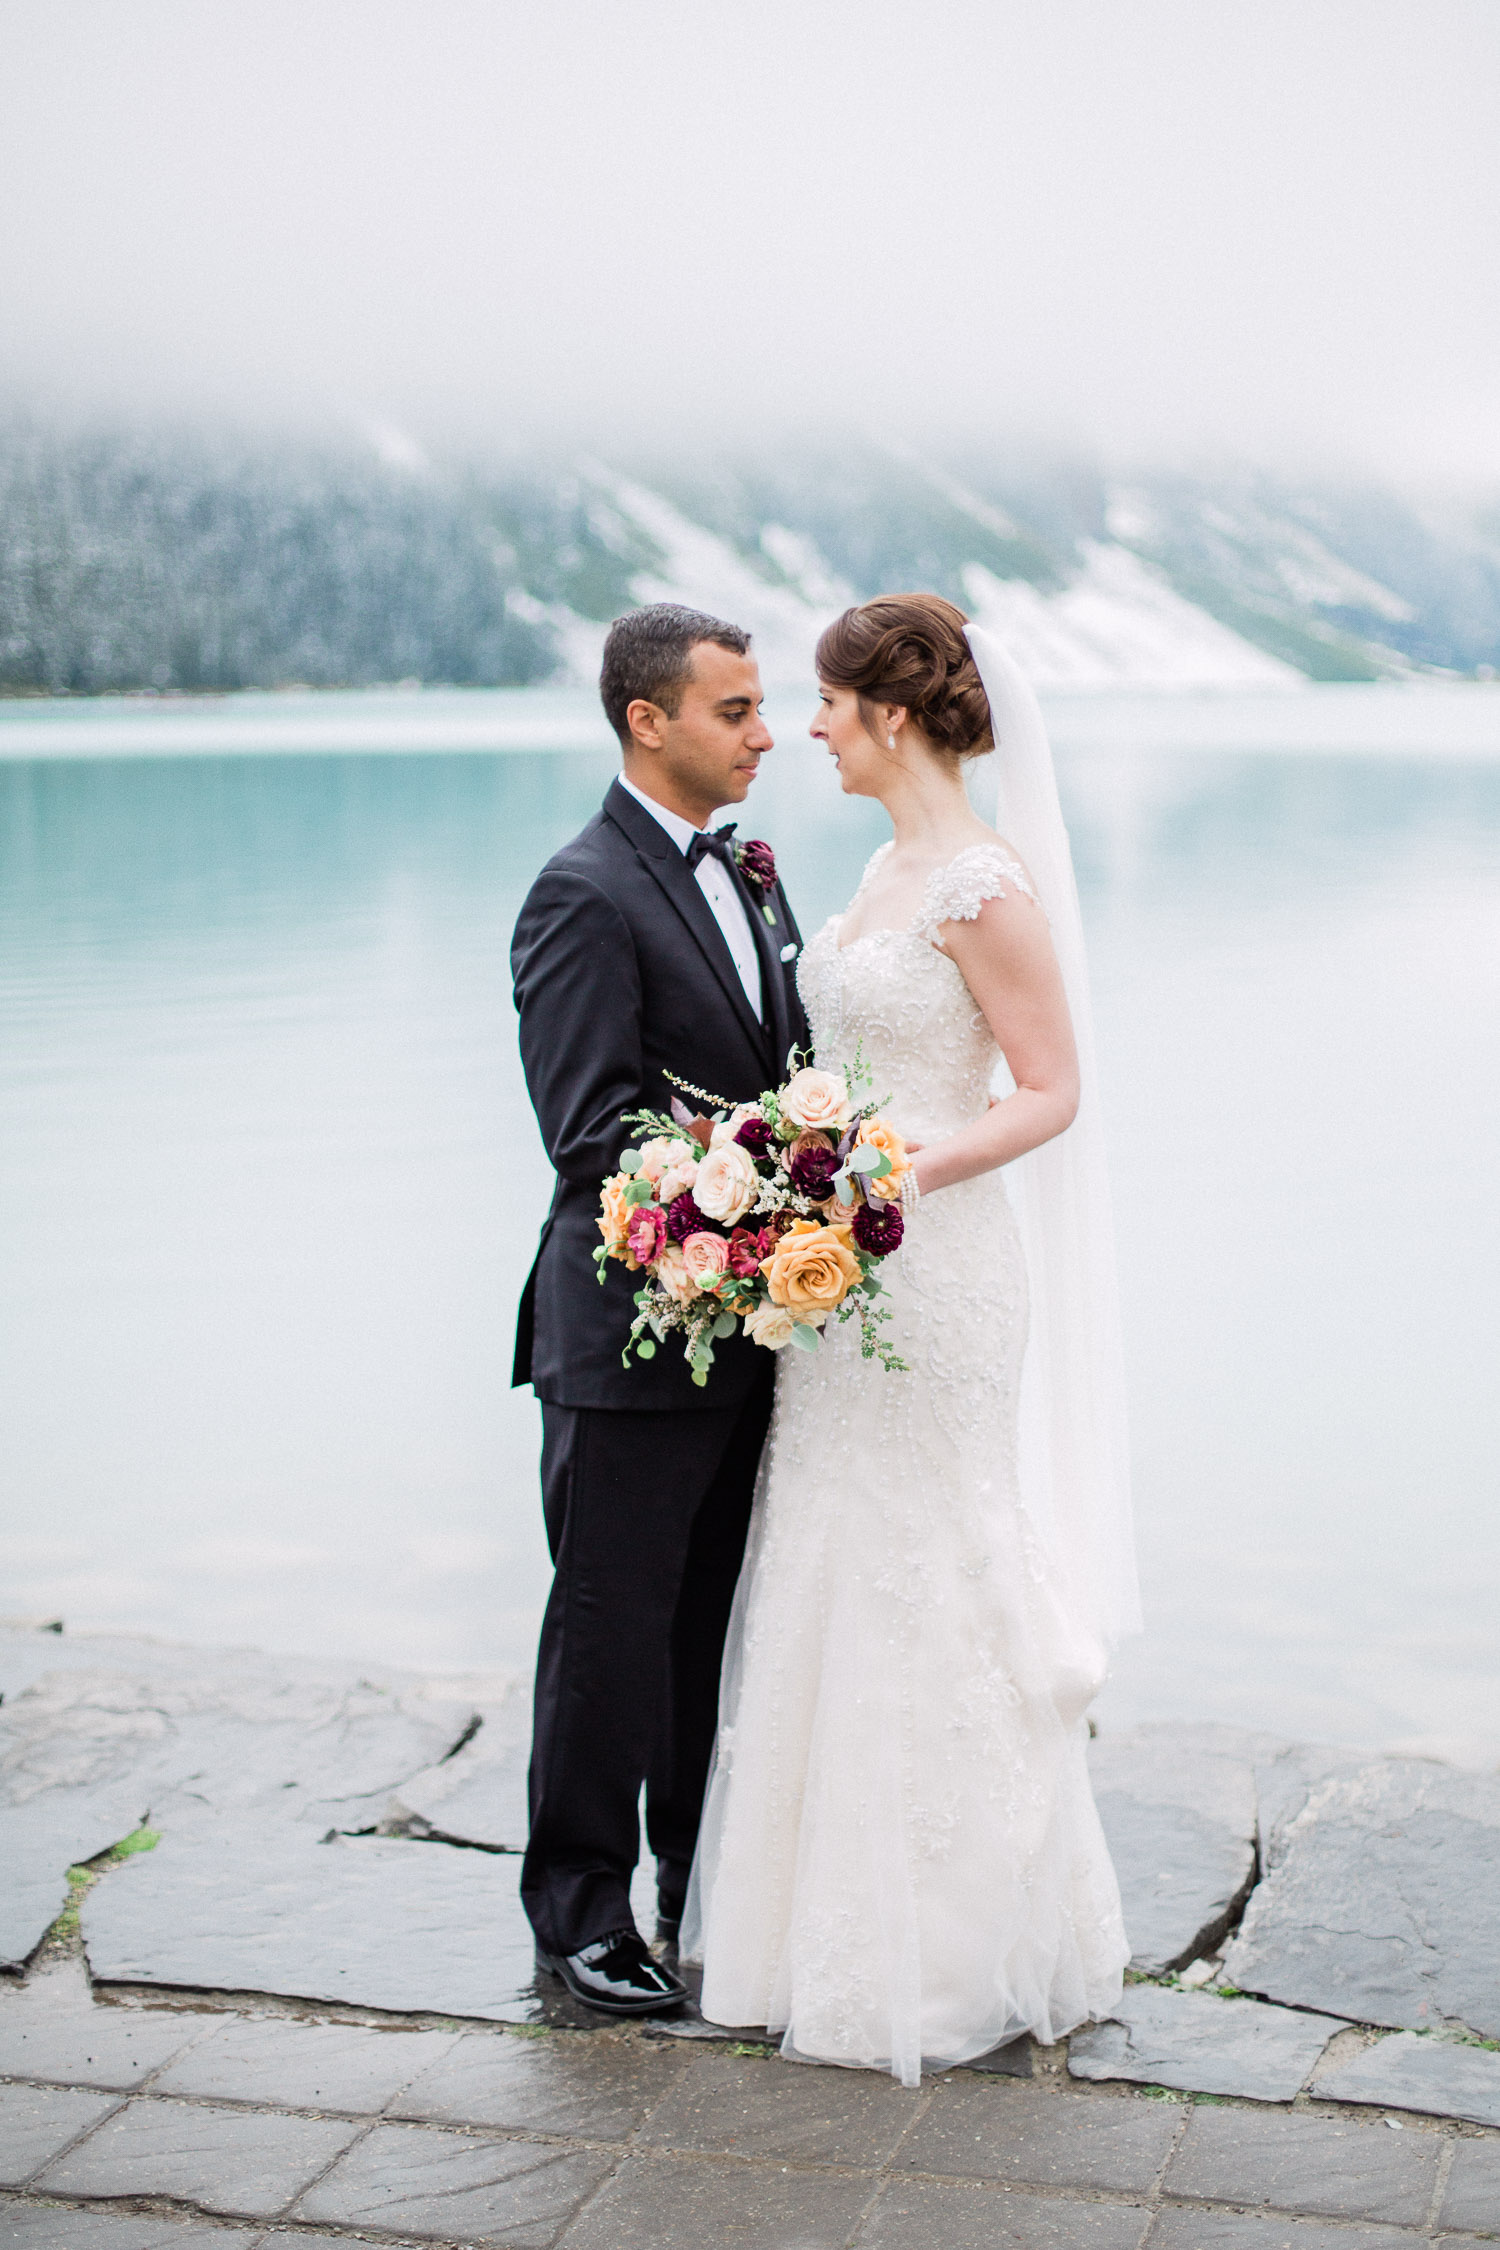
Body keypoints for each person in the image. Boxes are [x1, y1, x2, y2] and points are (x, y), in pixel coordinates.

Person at [684, 594, 1141, 2083]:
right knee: (825, 1542)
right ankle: (807, 1934)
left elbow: (1051, 1085)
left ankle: (952, 1943)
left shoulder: (983, 883)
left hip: (934, 1273)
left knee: (934, 1553)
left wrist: (898, 1173)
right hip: (835, 1278)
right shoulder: (882, 866)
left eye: (820, 702)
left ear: (886, 713)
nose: (803, 729)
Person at [510, 602, 809, 2015]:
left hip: (750, 1328)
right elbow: (591, 1131)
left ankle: (697, 1873)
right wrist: (759, 1189)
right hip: (627, 1332)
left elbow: (776, 1064)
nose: (765, 734)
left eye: (762, 708)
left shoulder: (750, 868)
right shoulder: (581, 889)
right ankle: (576, 1913)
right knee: (608, 1631)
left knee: (710, 1624)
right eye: (736, 710)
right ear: (650, 720)